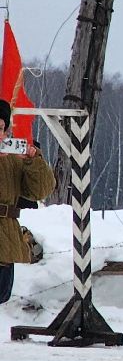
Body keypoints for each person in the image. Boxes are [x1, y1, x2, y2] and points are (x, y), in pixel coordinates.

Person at [0, 101, 53, 306]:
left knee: (2, 296)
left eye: (1, 128)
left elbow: (40, 191)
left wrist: (33, 160)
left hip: (6, 241)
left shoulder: (12, 159)